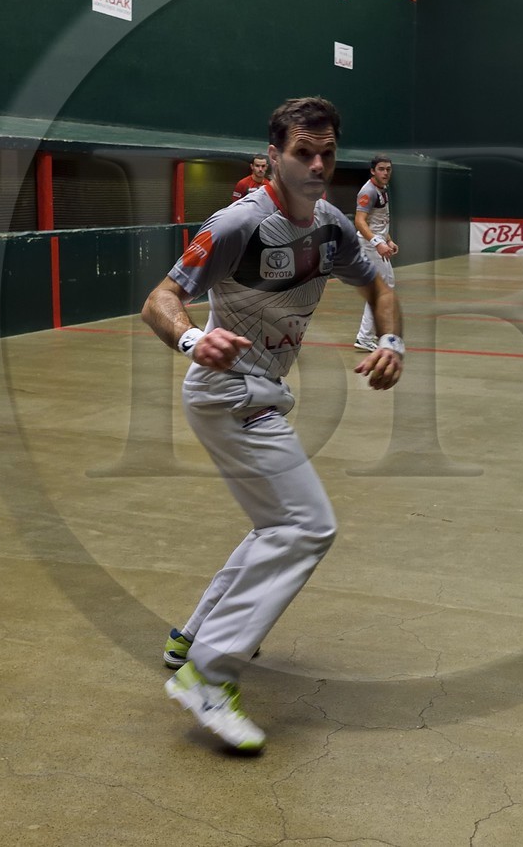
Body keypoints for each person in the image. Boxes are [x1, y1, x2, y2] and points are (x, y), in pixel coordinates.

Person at [142, 96, 404, 752]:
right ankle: (209, 673)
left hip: (261, 389)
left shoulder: (332, 226)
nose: (318, 166)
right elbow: (161, 300)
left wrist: (392, 343)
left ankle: (194, 638)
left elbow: (380, 286)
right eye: (303, 154)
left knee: (275, 525)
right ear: (275, 156)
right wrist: (189, 340)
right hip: (226, 390)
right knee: (308, 526)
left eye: (328, 154)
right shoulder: (238, 224)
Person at [352, 155, 397, 352]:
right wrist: (377, 242)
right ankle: (366, 337)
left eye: (388, 169)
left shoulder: (383, 190)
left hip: (377, 244)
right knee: (380, 291)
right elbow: (360, 221)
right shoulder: (368, 191)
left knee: (386, 288)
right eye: (381, 169)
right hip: (369, 246)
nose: (385, 173)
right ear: (373, 171)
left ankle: (372, 335)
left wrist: (388, 239)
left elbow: (379, 220)